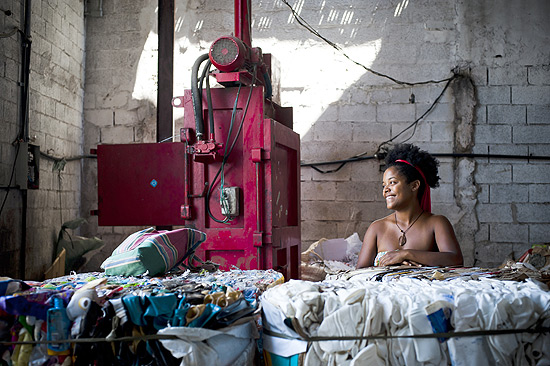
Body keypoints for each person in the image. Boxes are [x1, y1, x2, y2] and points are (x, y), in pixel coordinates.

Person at [356, 144, 463, 268]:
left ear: (414, 185)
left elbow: (456, 260)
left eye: (392, 182)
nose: (386, 190)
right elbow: (360, 272)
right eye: (384, 185)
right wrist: (387, 264)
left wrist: (406, 254)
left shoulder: (437, 223)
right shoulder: (376, 228)